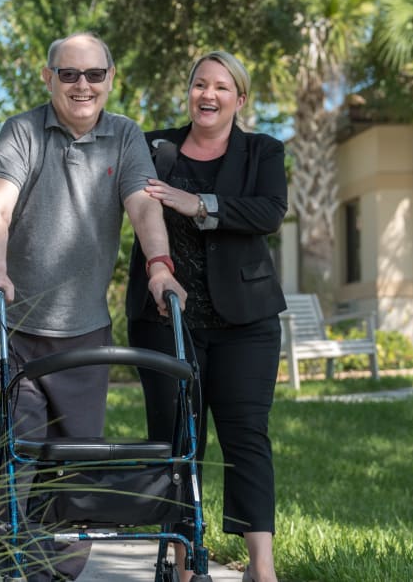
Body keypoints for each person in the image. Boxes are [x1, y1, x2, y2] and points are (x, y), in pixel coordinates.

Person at [0, 31, 185, 582]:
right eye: (69, 74)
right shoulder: (23, 131)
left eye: (94, 74)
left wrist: (160, 266)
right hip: (7, 319)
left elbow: (142, 206)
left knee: (77, 461)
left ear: (111, 79)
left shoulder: (125, 136)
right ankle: (20, 565)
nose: (82, 85)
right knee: (24, 450)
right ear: (48, 79)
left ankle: (57, 571)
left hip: (84, 328)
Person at [126, 51, 287, 582]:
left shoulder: (263, 150)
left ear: (240, 99)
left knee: (246, 437)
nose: (208, 95)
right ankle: (183, 564)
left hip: (247, 322)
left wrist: (196, 203)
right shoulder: (154, 147)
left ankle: (260, 568)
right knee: (177, 440)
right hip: (165, 319)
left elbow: (268, 211)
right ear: (188, 92)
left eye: (221, 87)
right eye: (199, 84)